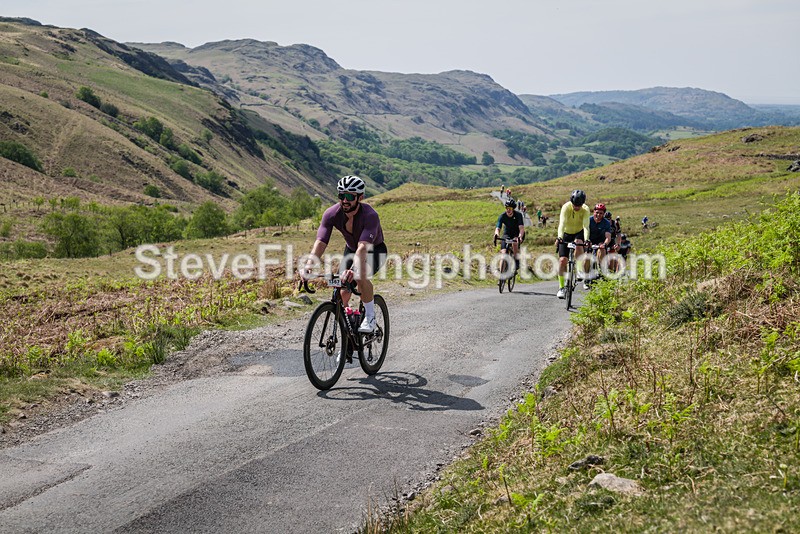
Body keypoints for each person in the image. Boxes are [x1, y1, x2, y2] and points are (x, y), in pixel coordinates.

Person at [300, 175, 387, 333]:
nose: (345, 201)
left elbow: (362, 248)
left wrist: (353, 269)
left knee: (359, 276)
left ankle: (370, 317)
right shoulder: (331, 214)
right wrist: (308, 265)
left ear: (360, 197)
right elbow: (321, 242)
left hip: (374, 249)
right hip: (351, 250)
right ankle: (348, 328)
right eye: (341, 196)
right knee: (343, 289)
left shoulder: (370, 215)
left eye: (349, 196)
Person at [556, 190, 590, 299]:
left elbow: (586, 226)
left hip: (578, 233)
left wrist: (587, 239)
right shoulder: (566, 207)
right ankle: (562, 287)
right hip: (566, 233)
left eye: (579, 205)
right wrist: (560, 237)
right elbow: (562, 223)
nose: (576, 207)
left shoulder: (585, 209)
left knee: (579, 243)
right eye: (575, 205)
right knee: (562, 261)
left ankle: (579, 269)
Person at [495, 198, 525, 273]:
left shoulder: (518, 215)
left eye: (510, 208)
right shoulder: (502, 216)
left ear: (513, 209)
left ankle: (516, 261)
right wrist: (496, 234)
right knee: (503, 253)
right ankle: (501, 274)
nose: (508, 210)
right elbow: (498, 228)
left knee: (514, 243)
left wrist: (520, 237)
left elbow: (521, 228)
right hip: (507, 233)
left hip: (517, 233)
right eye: (507, 208)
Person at [586, 204, 613, 286]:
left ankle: (602, 269)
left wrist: (605, 244)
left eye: (601, 213)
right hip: (589, 241)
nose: (598, 215)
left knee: (602, 249)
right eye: (596, 212)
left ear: (603, 214)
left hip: (600, 242)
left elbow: (608, 236)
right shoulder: (588, 220)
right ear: (593, 212)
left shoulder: (606, 223)